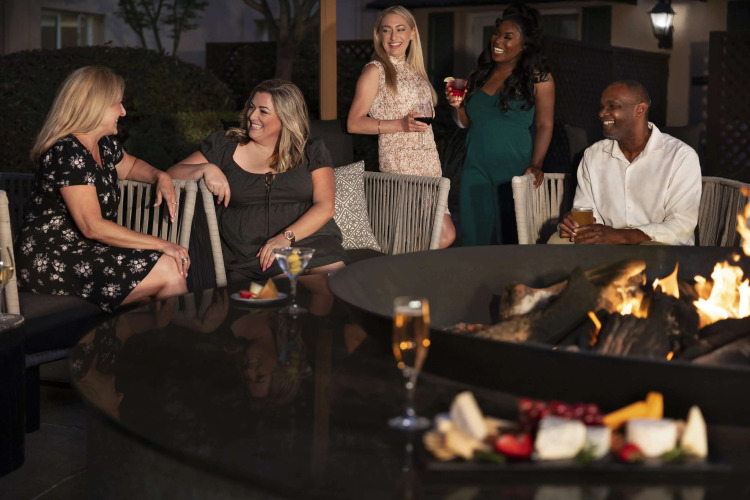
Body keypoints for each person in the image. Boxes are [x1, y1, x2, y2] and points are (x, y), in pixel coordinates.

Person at [17, 66, 189, 312]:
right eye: (118, 103)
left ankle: (162, 336)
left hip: (87, 253)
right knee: (169, 269)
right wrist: (162, 244)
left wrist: (160, 176)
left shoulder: (105, 146)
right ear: (95, 106)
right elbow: (92, 226)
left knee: (169, 271)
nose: (123, 111)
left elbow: (131, 167)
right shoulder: (67, 151)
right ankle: (176, 335)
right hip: (50, 259)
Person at [168, 79, 347, 282]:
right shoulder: (225, 147)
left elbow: (325, 206)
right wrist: (205, 168)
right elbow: (171, 174)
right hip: (250, 254)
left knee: (332, 284)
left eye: (263, 111)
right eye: (251, 107)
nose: (252, 116)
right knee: (283, 292)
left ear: (286, 118)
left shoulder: (311, 151)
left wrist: (285, 238)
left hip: (310, 241)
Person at [347, 5, 456, 249]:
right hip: (400, 164)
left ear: (412, 33)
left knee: (433, 235)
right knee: (441, 234)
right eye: (386, 30)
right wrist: (400, 124)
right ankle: (403, 266)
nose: (393, 36)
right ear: (379, 35)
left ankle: (406, 268)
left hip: (429, 164)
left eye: (400, 29)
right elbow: (354, 123)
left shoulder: (416, 71)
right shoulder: (375, 71)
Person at [448, 3, 555, 246]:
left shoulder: (540, 79)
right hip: (475, 168)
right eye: (497, 34)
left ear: (524, 45)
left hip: (513, 170)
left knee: (511, 241)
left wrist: (536, 165)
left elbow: (545, 126)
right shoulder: (478, 74)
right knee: (473, 241)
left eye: (508, 36)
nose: (498, 40)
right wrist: (457, 105)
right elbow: (465, 123)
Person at [553, 80, 701, 245]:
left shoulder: (681, 156)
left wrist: (622, 236)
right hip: (606, 246)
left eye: (612, 106)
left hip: (660, 247)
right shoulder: (593, 155)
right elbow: (586, 212)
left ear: (640, 109)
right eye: (602, 107)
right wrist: (574, 225)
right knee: (557, 241)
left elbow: (681, 225)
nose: (601, 114)